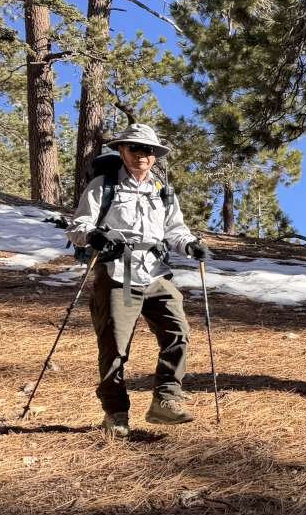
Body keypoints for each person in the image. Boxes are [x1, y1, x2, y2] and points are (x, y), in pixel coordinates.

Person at [67, 123, 211, 436]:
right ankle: (115, 413)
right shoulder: (103, 186)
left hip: (156, 273)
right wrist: (94, 236)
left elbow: (175, 230)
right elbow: (78, 227)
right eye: (134, 148)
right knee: (115, 346)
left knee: (178, 332)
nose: (142, 155)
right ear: (122, 150)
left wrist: (190, 245)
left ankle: (166, 400)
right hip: (118, 272)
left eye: (148, 150)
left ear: (155, 155)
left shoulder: (162, 191)